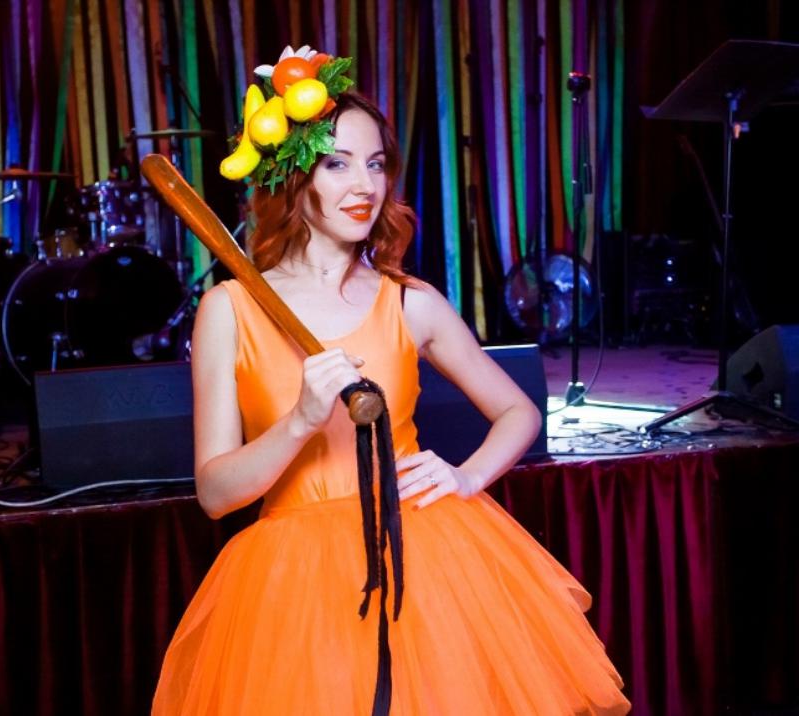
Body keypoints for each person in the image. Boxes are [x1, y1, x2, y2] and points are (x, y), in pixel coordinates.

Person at [153, 48, 630, 715]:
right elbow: (214, 494)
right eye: (338, 163)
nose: (366, 186)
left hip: (425, 560)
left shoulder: (410, 301)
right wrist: (300, 420)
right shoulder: (229, 310)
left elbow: (518, 412)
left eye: (376, 164)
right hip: (290, 589)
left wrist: (466, 477)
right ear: (291, 175)